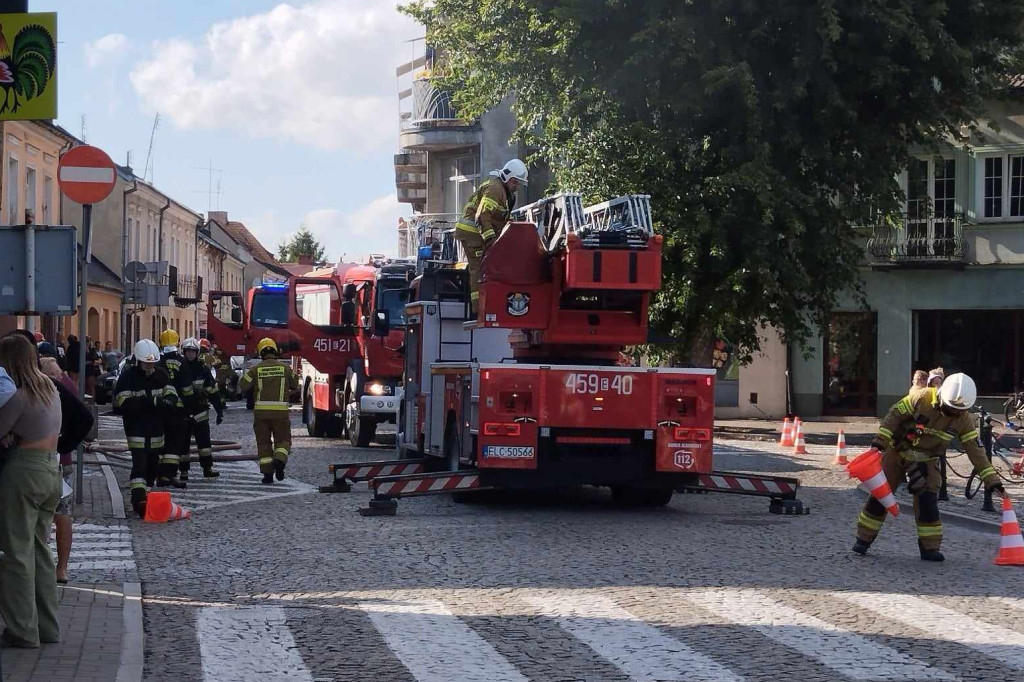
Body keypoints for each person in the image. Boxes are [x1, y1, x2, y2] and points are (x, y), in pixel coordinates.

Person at [852, 373, 1002, 561]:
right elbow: (894, 416)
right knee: (881, 496)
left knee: (927, 501)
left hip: (926, 459)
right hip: (897, 451)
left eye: (957, 411)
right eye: (949, 408)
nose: (952, 414)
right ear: (942, 396)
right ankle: (863, 540)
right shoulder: (920, 398)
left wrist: (992, 481)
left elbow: (975, 450)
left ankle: (930, 548)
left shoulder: (963, 418)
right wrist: (879, 442)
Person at [0, 334, 63, 648]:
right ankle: (48, 628)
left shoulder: (21, 397)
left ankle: (22, 630)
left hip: (25, 471)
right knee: (40, 552)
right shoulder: (51, 389)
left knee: (16, 553)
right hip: (52, 470)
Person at [454, 158, 528, 313]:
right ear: (511, 179)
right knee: (478, 268)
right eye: (516, 183)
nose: (517, 187)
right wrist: (490, 240)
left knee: (488, 266)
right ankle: (477, 309)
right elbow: (482, 215)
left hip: (476, 233)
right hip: (472, 233)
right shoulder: (496, 189)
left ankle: (486, 303)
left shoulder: (503, 192)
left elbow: (498, 218)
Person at [113, 340, 177, 517]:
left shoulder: (162, 375)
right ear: (138, 361)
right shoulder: (128, 377)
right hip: (137, 429)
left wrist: (169, 403)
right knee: (139, 465)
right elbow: (121, 402)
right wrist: (152, 402)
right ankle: (138, 500)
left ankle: (147, 496)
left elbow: (171, 394)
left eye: (152, 363)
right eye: (147, 363)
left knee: (152, 466)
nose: (150, 366)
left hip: (157, 428)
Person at [39, 357, 78, 584]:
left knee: (47, 512)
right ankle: (61, 568)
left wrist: (62, 444)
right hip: (63, 459)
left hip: (51, 458)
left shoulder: (48, 389)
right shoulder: (68, 384)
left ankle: (51, 565)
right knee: (62, 512)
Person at [238, 338, 297, 484]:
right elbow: (295, 384)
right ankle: (280, 460)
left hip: (261, 414)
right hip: (280, 414)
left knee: (263, 444)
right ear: (275, 351)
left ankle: (267, 475)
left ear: (261, 352)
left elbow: (242, 385)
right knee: (283, 440)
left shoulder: (256, 369)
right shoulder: (285, 368)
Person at [179, 337, 222, 480]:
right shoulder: (179, 368)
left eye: (193, 352)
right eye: (188, 352)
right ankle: (184, 471)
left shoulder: (202, 368)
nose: (190, 354)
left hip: (200, 411)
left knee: (204, 443)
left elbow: (212, 389)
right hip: (183, 412)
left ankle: (207, 468)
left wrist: (219, 409)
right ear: (184, 352)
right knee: (183, 444)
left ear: (197, 353)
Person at [157, 329, 192, 489]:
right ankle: (169, 474)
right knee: (174, 443)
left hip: (160, 408)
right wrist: (189, 406)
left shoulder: (157, 360)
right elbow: (186, 388)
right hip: (178, 410)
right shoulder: (181, 361)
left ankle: (158, 474)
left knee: (159, 441)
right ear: (178, 343)